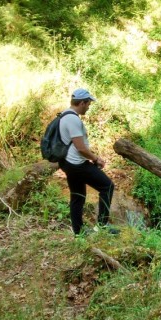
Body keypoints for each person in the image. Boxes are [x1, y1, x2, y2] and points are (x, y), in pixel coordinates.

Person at [58, 88, 117, 236]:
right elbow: (80, 148)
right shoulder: (72, 119)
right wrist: (96, 159)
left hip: (68, 163)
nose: (89, 106)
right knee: (107, 186)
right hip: (76, 164)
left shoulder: (65, 115)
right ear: (82, 102)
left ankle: (78, 233)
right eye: (88, 103)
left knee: (77, 196)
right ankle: (102, 225)